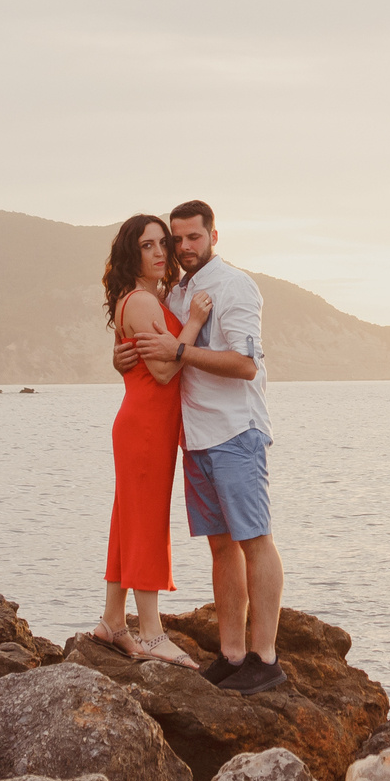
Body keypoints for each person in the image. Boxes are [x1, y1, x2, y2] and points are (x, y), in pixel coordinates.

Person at [115, 199, 284, 695]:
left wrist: (182, 350)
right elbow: (153, 348)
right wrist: (122, 356)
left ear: (213, 235)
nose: (184, 247)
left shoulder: (234, 286)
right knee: (220, 546)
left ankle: (265, 658)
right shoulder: (179, 291)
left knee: (255, 541)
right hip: (197, 437)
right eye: (177, 239)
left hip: (236, 432)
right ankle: (232, 655)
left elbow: (246, 364)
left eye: (194, 237)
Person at [87, 214, 211, 668]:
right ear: (131, 253)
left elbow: (145, 362)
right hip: (144, 428)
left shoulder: (146, 298)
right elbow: (162, 370)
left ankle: (112, 623)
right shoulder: (140, 301)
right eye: (148, 245)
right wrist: (195, 322)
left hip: (148, 425)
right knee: (146, 523)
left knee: (129, 520)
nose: (161, 252)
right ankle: (152, 633)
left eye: (164, 243)